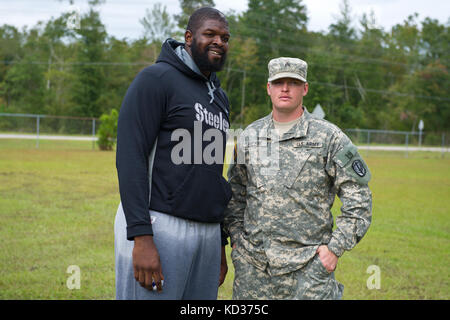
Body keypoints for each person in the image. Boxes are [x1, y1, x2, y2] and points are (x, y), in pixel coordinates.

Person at [224, 57, 372, 300]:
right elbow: (235, 194)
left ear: (304, 88)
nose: (285, 88)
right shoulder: (250, 136)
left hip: (308, 269)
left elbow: (360, 197)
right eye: (278, 82)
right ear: (268, 88)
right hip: (254, 269)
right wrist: (238, 241)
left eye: (293, 82)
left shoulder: (329, 137)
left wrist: (334, 249)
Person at [114, 7, 232, 300]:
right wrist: (141, 236)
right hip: (160, 225)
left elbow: (212, 172)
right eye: (210, 34)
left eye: (225, 37)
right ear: (189, 37)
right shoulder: (156, 79)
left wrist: (218, 240)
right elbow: (130, 158)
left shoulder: (220, 98)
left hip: (206, 232)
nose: (219, 41)